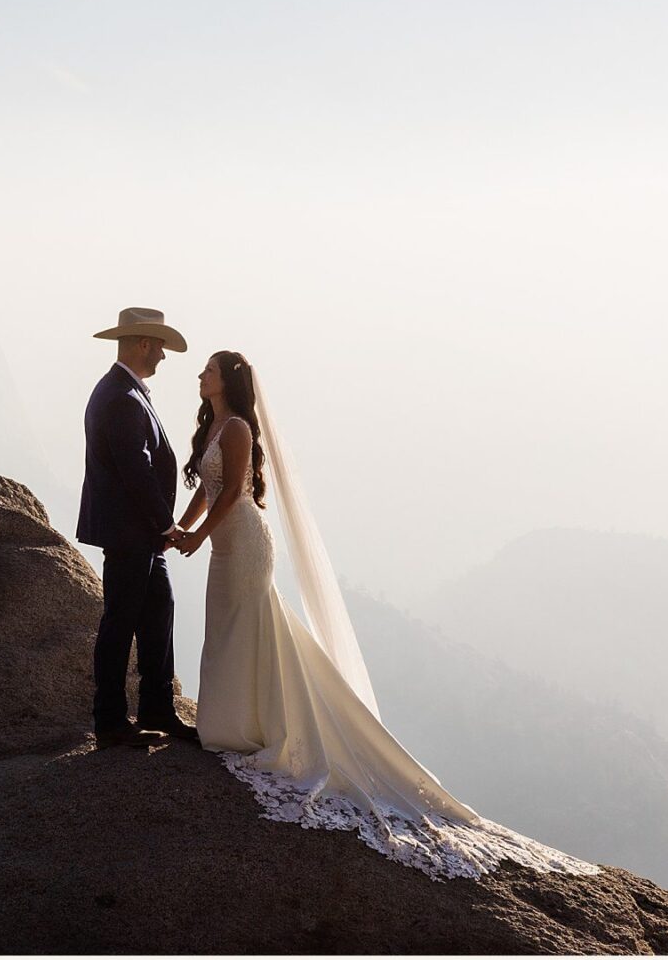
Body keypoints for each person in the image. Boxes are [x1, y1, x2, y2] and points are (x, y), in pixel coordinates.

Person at [171, 350, 602, 879]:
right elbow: (207, 489)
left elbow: (235, 491)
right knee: (230, 631)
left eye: (207, 371)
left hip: (245, 542)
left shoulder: (236, 427)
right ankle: (233, 723)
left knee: (247, 628)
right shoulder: (213, 425)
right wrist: (182, 526)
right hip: (224, 544)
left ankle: (251, 728)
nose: (200, 376)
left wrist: (195, 537)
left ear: (227, 382)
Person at [76, 308, 202, 748]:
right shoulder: (121, 398)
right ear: (144, 343)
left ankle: (156, 708)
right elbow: (137, 472)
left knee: (158, 610)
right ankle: (110, 720)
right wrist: (168, 526)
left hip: (140, 535)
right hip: (132, 534)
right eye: (161, 347)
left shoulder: (123, 392)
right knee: (121, 621)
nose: (164, 357)